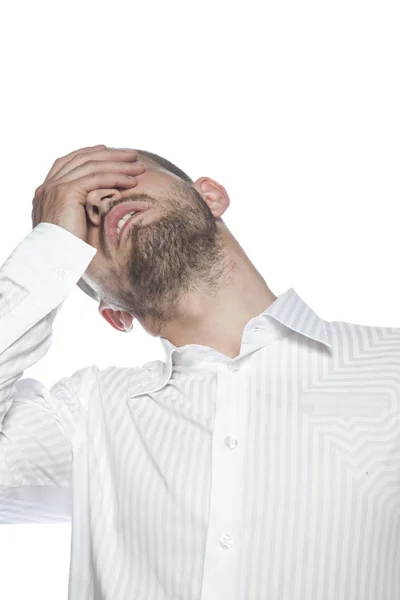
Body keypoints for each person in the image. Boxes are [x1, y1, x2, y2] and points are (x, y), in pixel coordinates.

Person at [0, 144, 399, 600]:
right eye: (82, 222)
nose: (99, 202)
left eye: (119, 178)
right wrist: (51, 245)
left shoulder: (392, 365)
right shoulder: (86, 416)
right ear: (114, 315)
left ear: (210, 195)